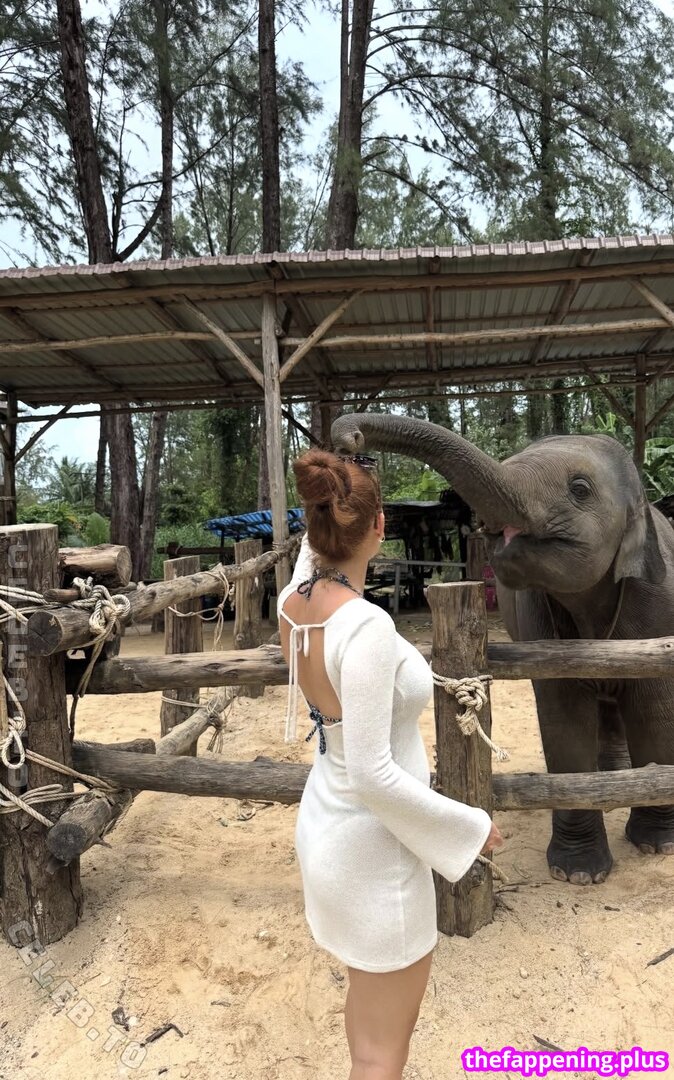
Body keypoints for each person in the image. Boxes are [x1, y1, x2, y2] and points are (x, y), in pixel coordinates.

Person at [278, 447, 504, 1080]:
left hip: (326, 827)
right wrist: (470, 828)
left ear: (314, 525)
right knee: (383, 1052)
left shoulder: (292, 604)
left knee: (367, 1016)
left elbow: (313, 553)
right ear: (380, 526)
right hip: (375, 854)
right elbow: (375, 775)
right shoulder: (367, 628)